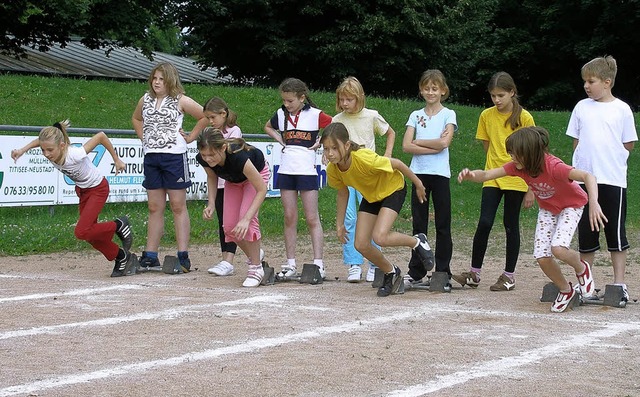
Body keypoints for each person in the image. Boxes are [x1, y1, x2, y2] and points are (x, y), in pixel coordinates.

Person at [458, 126, 606, 312]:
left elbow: (587, 176)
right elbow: (488, 174)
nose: (511, 157)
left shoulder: (554, 166)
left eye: (515, 154)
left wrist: (594, 202)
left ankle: (581, 268)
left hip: (571, 205)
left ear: (530, 153)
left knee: (558, 248)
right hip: (548, 209)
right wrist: (472, 175)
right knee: (542, 256)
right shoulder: (517, 167)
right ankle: (565, 290)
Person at [321, 122, 434, 297]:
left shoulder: (364, 158)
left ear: (347, 145)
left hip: (392, 188)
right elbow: (342, 193)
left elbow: (397, 164)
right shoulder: (333, 169)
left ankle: (417, 242)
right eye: (326, 148)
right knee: (360, 244)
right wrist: (339, 224)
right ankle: (392, 272)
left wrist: (418, 184)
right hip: (372, 196)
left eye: (334, 148)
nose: (330, 153)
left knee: (380, 237)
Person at [11, 120, 134, 277]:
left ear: (62, 146)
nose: (46, 154)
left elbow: (101, 136)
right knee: (89, 235)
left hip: (97, 189)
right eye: (43, 150)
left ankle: (118, 225)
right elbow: (40, 141)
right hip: (83, 191)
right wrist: (22, 150)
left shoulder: (74, 154)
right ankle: (121, 256)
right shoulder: (51, 148)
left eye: (50, 150)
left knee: (82, 231)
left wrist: (116, 159)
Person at [451, 72, 535, 292]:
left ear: (512, 93)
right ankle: (474, 274)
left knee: (510, 224)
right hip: (493, 177)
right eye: (493, 96)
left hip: (517, 179)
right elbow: (487, 146)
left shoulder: (524, 117)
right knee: (485, 222)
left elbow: (532, 152)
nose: (497, 100)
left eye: (501, 95)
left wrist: (531, 189)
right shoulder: (486, 116)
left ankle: (509, 276)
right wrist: (493, 169)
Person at [565, 55, 638, 302]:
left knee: (615, 234)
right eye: (584, 81)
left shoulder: (622, 109)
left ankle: (619, 284)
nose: (587, 86)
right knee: (586, 235)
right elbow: (576, 142)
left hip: (612, 181)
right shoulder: (581, 107)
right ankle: (587, 284)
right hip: (584, 181)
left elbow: (628, 144)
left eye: (591, 81)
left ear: (607, 82)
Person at [132, 62, 209, 273]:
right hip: (151, 157)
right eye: (154, 78)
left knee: (177, 205)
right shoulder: (145, 100)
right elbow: (136, 118)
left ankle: (183, 254)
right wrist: (144, 137)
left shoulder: (180, 100)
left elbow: (204, 116)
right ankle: (150, 254)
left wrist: (191, 137)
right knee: (154, 206)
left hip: (174, 157)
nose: (157, 82)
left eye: (161, 79)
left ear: (170, 80)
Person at [264, 77, 332, 278]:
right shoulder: (280, 114)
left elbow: (335, 126)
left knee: (312, 217)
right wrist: (281, 140)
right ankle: (290, 263)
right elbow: (268, 127)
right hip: (286, 170)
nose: (286, 105)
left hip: (307, 170)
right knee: (289, 216)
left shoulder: (315, 114)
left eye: (290, 101)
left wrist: (321, 142)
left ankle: (318, 263)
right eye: (284, 100)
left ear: (302, 98)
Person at [332, 76, 397, 283]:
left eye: (349, 99)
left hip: (369, 176)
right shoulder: (337, 120)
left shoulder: (372, 116)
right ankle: (353, 263)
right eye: (342, 99)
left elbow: (390, 133)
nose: (345, 104)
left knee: (372, 220)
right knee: (351, 218)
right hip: (347, 175)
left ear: (359, 98)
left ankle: (375, 263)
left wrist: (386, 155)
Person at [196, 127, 270, 287]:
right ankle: (255, 253)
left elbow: (261, 189)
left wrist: (247, 218)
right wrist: (211, 203)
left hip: (256, 178)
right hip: (234, 181)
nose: (208, 159)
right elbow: (211, 176)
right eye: (204, 155)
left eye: (211, 155)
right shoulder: (204, 158)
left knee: (246, 221)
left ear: (222, 148)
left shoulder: (238, 157)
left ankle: (256, 268)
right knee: (229, 227)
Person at [402, 69, 455, 286]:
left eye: (435, 88)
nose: (430, 92)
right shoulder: (415, 115)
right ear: (421, 90)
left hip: (440, 174)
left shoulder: (448, 114)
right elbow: (406, 146)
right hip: (418, 174)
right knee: (419, 224)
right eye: (426, 88)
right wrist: (433, 145)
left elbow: (444, 144)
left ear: (443, 90)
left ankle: (443, 271)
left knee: (443, 224)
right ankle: (417, 271)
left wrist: (420, 143)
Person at [200, 97, 242, 276]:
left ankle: (228, 260)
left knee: (232, 222)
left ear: (223, 114)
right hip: (220, 184)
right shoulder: (209, 133)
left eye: (212, 117)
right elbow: (211, 173)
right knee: (222, 223)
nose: (210, 121)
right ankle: (227, 257)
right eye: (208, 118)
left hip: (234, 182)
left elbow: (230, 159)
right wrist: (210, 201)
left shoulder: (234, 131)